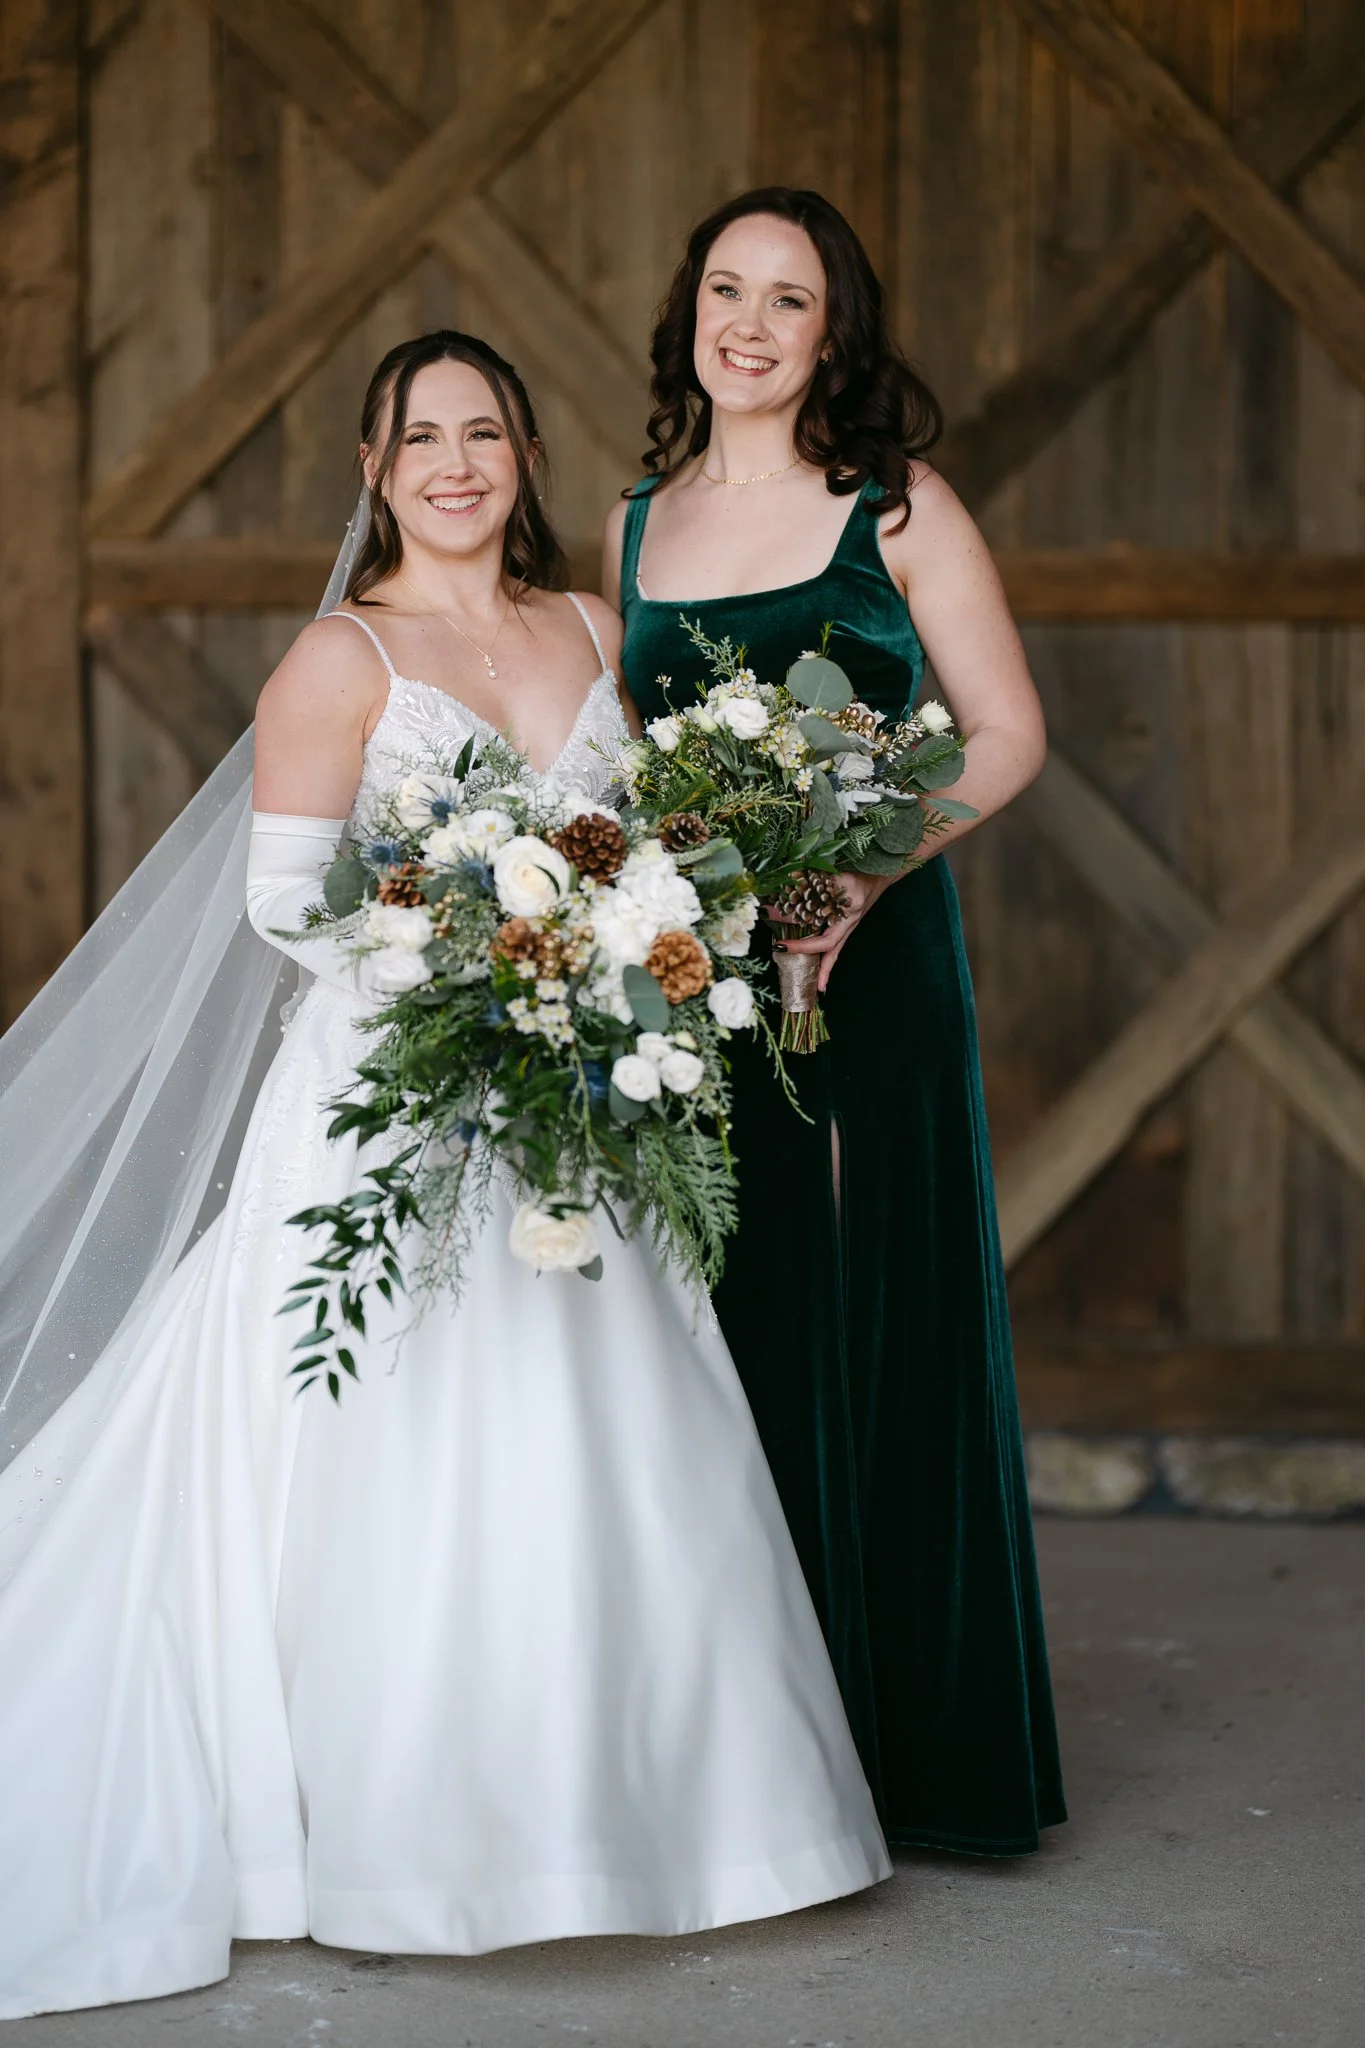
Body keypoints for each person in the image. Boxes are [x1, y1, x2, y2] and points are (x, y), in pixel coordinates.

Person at [0, 331, 889, 2022]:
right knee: (401, 1442)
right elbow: (284, 905)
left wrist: (639, 944)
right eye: (424, 439)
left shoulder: (591, 632)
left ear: (528, 458)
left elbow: (656, 843)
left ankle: (671, 1822)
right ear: (375, 470)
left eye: (486, 433)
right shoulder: (343, 661)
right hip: (401, 1099)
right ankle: (411, 1840)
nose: (458, 463)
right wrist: (489, 968)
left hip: (583, 1107)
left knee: (613, 1436)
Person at [604, 188, 1066, 1857]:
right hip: (700, 981)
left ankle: (929, 1754)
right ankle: (764, 1767)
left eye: (788, 300)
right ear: (692, 312)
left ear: (832, 335)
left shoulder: (901, 509)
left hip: (874, 957)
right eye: (725, 286)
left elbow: (1004, 734)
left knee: (894, 1307)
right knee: (735, 1320)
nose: (751, 322)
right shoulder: (635, 523)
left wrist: (867, 873)